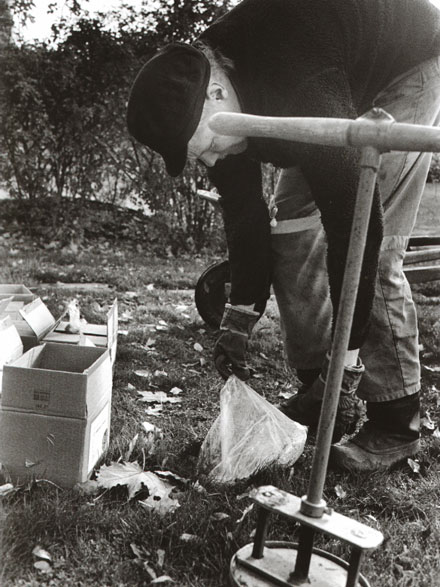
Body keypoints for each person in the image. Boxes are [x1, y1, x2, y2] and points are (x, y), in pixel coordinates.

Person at [126, 0, 440, 472]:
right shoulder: (214, 114)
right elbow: (245, 215)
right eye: (200, 155)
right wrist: (238, 316)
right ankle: (319, 393)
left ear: (216, 94)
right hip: (335, 74)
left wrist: (349, 358)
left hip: (409, 63)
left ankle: (395, 420)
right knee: (292, 230)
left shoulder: (298, 78)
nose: (212, 161)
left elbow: (359, 232)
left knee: (370, 248)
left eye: (208, 147)